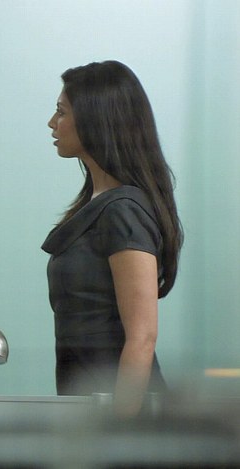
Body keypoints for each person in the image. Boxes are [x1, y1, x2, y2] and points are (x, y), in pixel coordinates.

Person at [41, 60, 183, 417]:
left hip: (123, 410)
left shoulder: (123, 210)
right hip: (89, 400)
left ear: (96, 120)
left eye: (61, 112)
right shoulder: (98, 203)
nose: (52, 123)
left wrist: (119, 430)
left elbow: (142, 337)